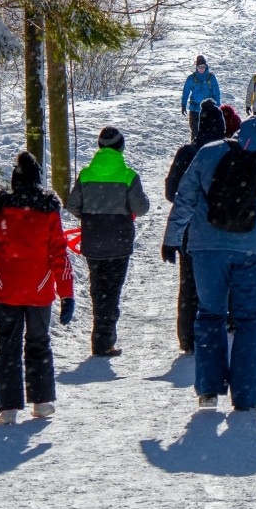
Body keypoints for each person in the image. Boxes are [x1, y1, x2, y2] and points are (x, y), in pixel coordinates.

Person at [164, 114, 256, 411]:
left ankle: (208, 389)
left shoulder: (208, 152)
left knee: (210, 314)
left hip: (207, 248)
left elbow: (185, 198)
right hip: (255, 252)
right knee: (251, 322)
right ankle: (246, 396)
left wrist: (172, 238)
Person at [0, 152, 74, 423]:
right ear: (37, 180)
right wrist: (66, 293)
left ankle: (8, 407)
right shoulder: (48, 212)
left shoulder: (0, 213)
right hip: (39, 291)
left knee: (7, 347)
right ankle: (41, 402)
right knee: (38, 343)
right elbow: (59, 254)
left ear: (14, 182)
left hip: (6, 290)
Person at [67, 127, 149, 357]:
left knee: (98, 288)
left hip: (93, 238)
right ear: (121, 147)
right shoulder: (128, 176)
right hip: (119, 240)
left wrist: (90, 217)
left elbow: (72, 205)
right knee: (112, 291)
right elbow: (140, 208)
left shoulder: (85, 175)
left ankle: (100, 338)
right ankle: (104, 341)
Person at [165, 100, 228, 353]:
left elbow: (171, 192)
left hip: (190, 228)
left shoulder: (187, 153)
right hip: (223, 227)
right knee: (221, 281)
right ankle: (216, 330)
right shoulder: (229, 152)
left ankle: (188, 336)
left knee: (189, 283)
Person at [180, 56, 222, 135]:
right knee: (195, 133)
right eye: (200, 67)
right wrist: (183, 105)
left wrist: (217, 107)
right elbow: (186, 92)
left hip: (208, 110)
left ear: (206, 66)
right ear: (196, 67)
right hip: (194, 109)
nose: (202, 69)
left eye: (203, 66)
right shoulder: (191, 78)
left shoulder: (211, 78)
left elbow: (216, 93)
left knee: (208, 133)